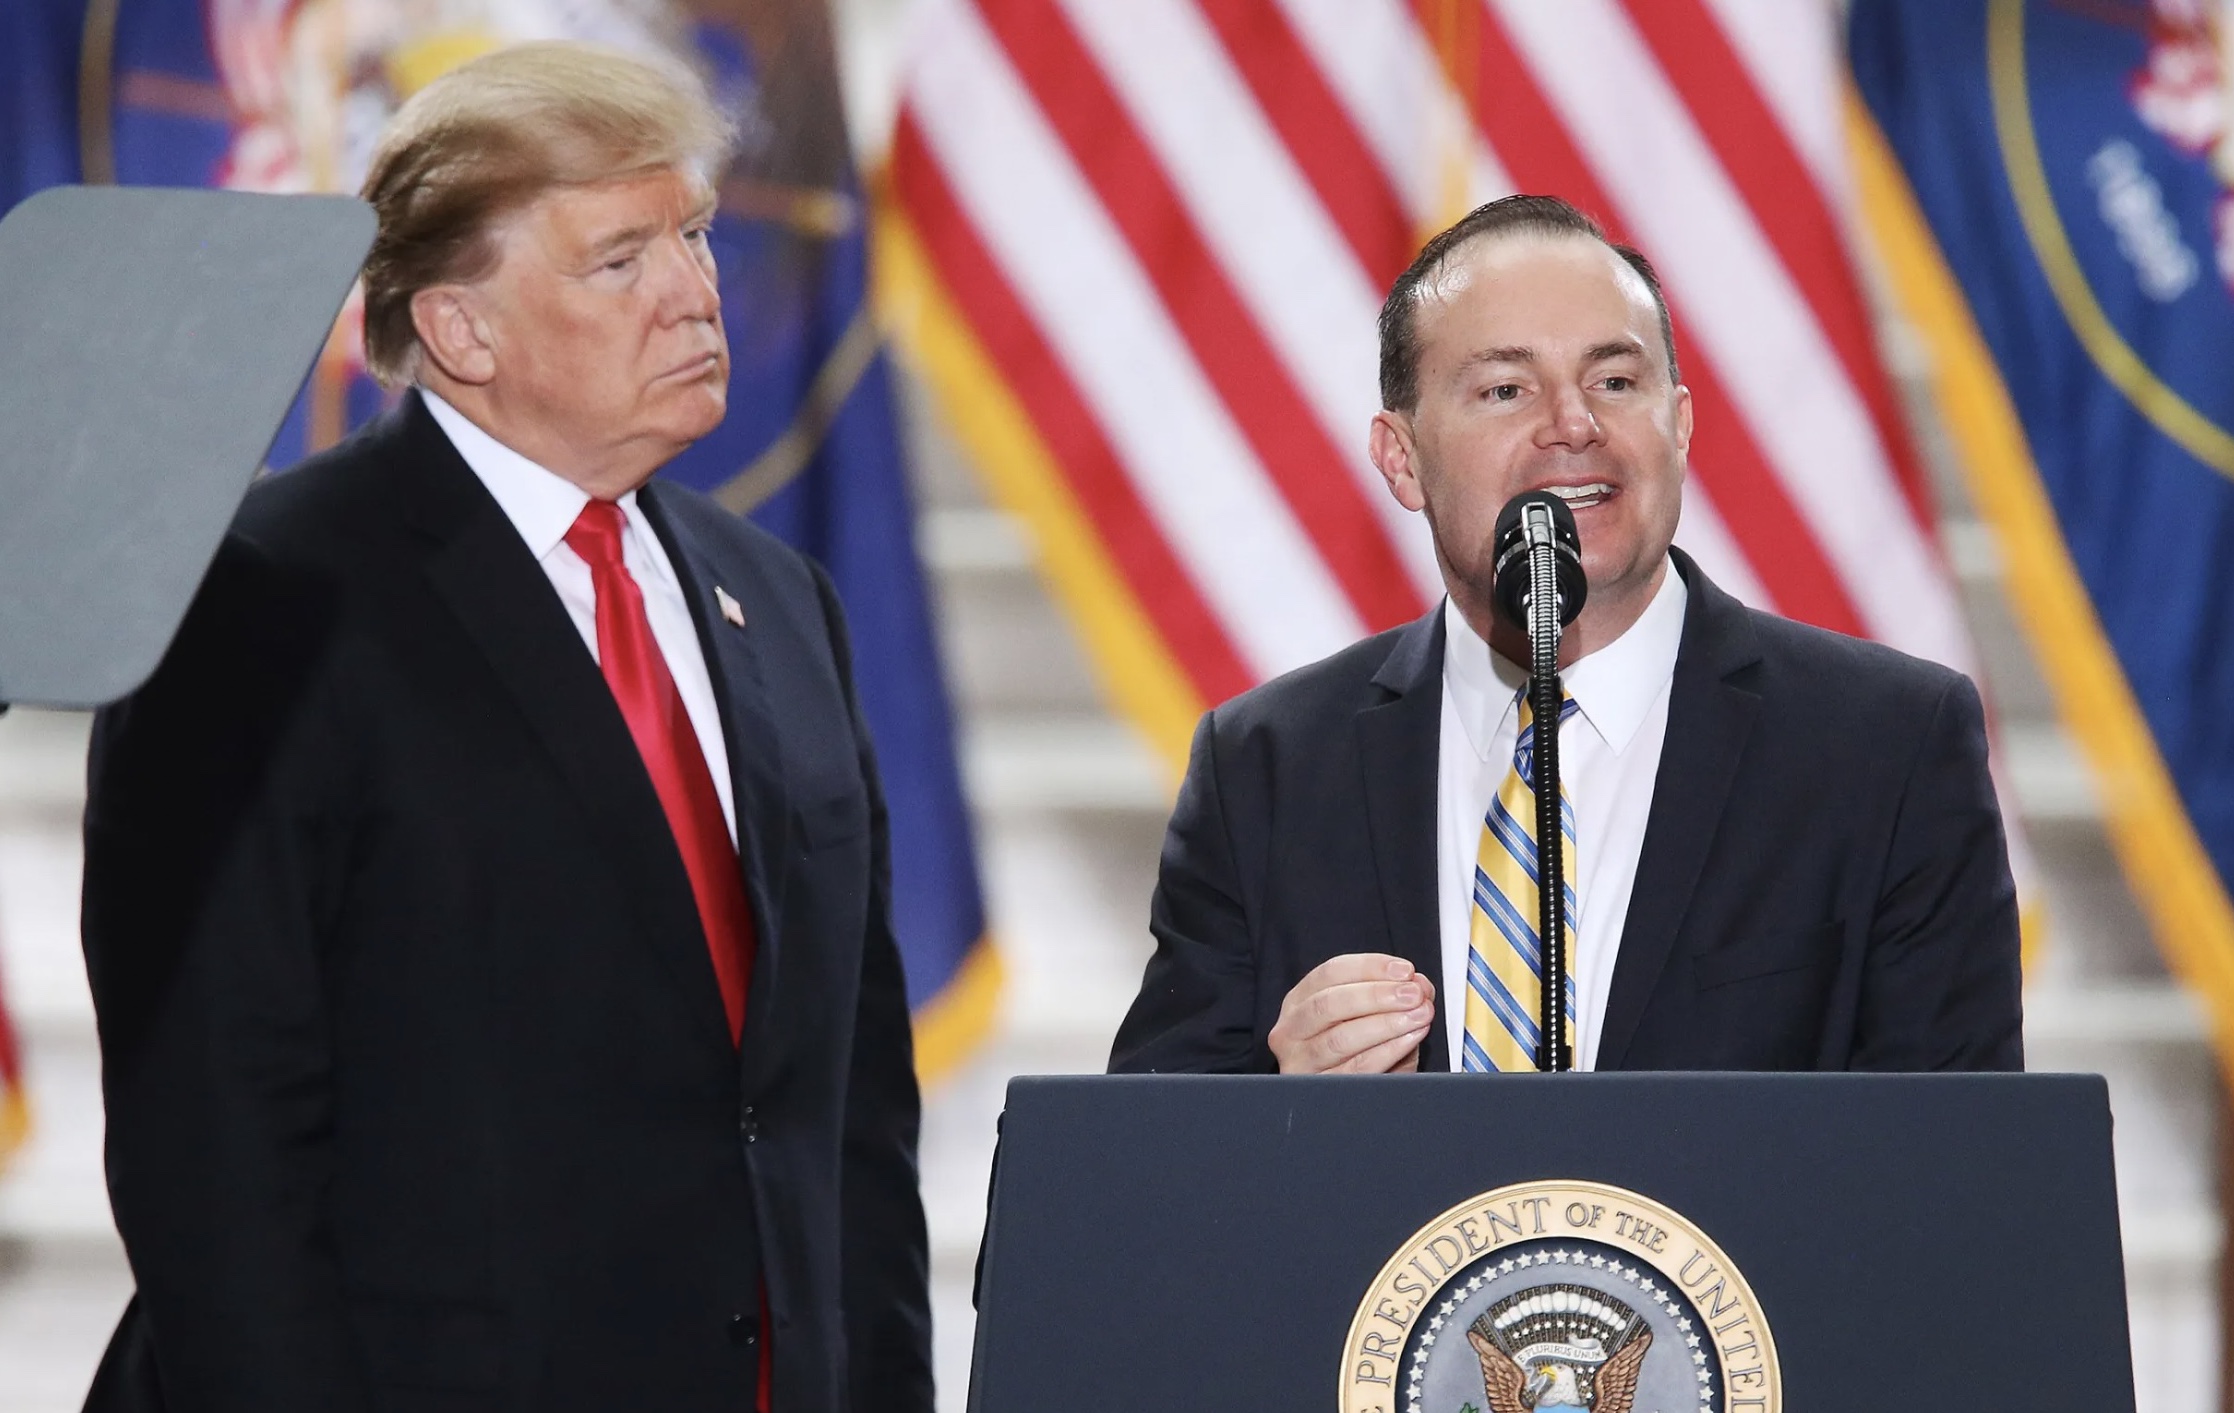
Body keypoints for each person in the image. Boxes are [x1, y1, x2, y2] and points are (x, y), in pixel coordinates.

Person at [78, 43, 930, 1413]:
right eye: (621, 259)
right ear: (462, 332)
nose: (695, 293)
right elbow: (215, 1148)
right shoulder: (258, 601)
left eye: (696, 234)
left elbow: (851, 1112)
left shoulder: (779, 598)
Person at [1110, 195, 2022, 1077]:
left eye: (1615, 381)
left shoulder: (1887, 749)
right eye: (1506, 389)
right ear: (1402, 458)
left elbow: (1959, 1183)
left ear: (1681, 424)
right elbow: (1134, 1184)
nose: (1574, 425)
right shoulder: (1266, 771)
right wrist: (1278, 1113)